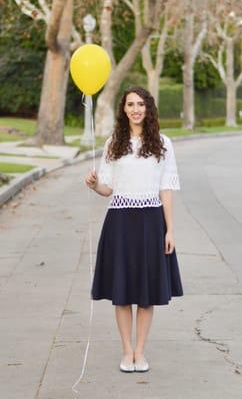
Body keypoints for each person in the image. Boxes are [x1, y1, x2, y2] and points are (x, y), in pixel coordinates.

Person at [85, 86, 183, 373]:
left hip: (153, 222)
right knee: (123, 289)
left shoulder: (163, 144)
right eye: (131, 104)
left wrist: (170, 230)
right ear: (124, 109)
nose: (136, 109)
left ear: (148, 108)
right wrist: (94, 185)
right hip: (120, 222)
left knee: (147, 290)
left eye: (141, 104)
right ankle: (126, 351)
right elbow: (107, 188)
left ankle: (141, 351)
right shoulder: (113, 143)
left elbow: (166, 189)